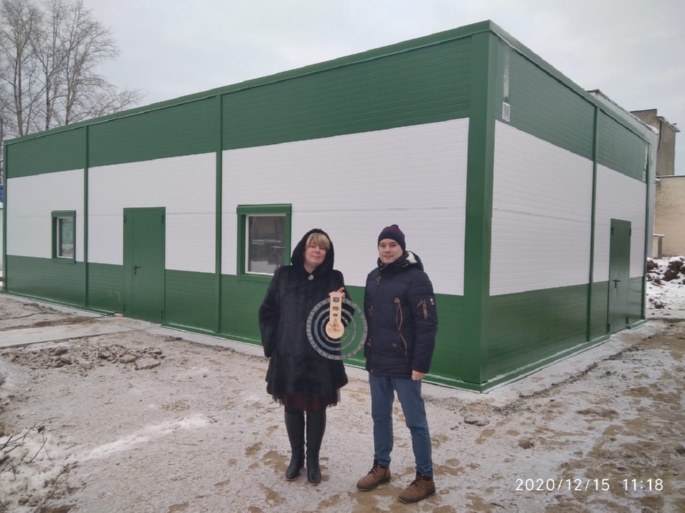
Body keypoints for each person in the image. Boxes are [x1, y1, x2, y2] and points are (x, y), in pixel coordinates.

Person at [356, 224, 439, 503]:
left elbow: (428, 324)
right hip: (378, 362)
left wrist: (420, 364)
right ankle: (382, 467)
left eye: (392, 245)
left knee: (415, 422)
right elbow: (369, 319)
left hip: (405, 365)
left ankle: (425, 478)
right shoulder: (373, 277)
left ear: (402, 248)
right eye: (383, 245)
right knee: (380, 417)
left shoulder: (417, 279)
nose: (387, 250)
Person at [258, 228, 348, 484]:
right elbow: (268, 311)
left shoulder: (334, 278)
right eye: (313, 246)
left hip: (320, 357)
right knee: (293, 406)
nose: (318, 251)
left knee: (317, 408)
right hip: (289, 355)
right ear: (303, 249)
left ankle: (313, 460)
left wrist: (341, 308)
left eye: (323, 248)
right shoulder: (284, 275)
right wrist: (274, 343)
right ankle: (296, 457)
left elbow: (344, 317)